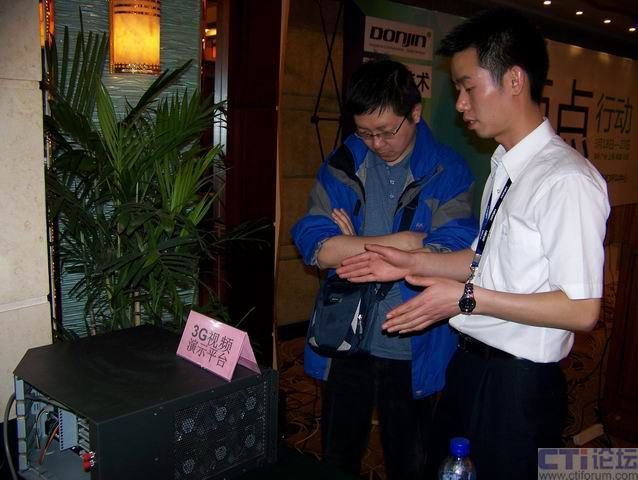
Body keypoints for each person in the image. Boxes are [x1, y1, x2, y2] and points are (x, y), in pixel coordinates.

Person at [336, 8, 610, 480]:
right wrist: (410, 263)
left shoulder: (565, 180)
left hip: (518, 382)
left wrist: (465, 300)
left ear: (515, 80)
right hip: (472, 365)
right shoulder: (505, 166)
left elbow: (582, 309)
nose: (460, 104)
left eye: (468, 87)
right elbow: (484, 262)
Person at [290, 58, 477, 479]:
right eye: (364, 132)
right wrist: (408, 242)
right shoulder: (344, 162)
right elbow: (316, 243)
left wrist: (352, 244)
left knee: (410, 459)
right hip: (345, 334)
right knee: (338, 455)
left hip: (412, 336)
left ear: (415, 113)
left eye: (387, 131)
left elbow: (455, 249)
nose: (376, 143)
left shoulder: (448, 169)